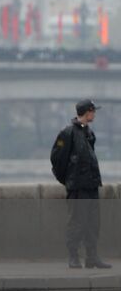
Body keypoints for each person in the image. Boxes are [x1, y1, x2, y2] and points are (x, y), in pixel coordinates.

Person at [50, 99, 111, 269]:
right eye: (93, 111)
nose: (95, 114)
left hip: (91, 186)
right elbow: (57, 159)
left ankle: (92, 257)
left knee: (93, 224)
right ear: (87, 112)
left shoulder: (88, 133)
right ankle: (73, 257)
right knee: (77, 222)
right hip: (78, 188)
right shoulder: (68, 133)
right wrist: (68, 180)